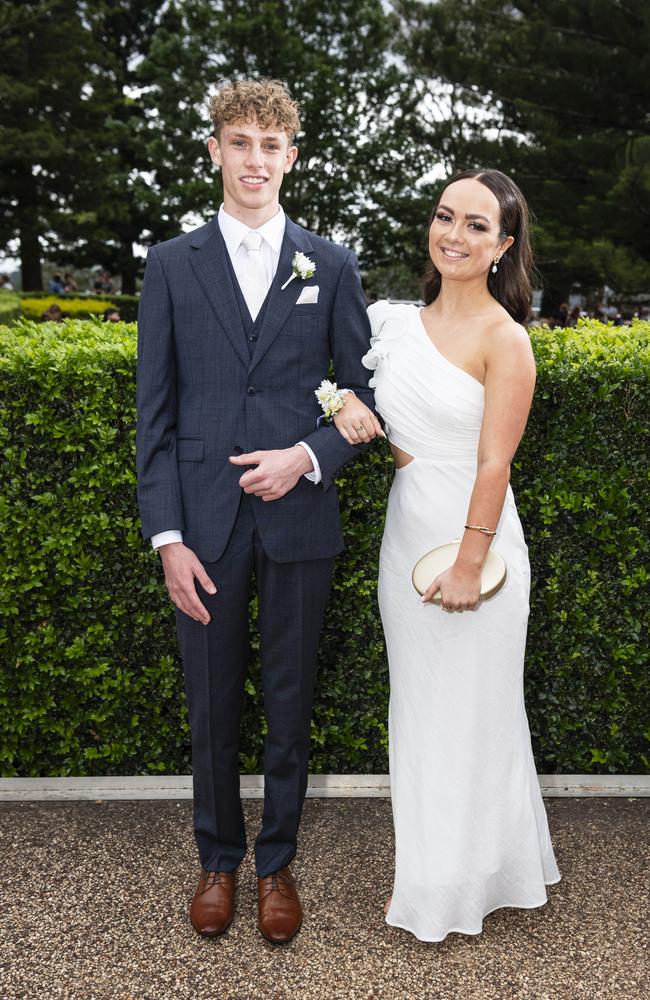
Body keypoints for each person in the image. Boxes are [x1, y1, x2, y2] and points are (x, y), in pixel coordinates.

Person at [135, 78, 376, 944]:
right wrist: (167, 536)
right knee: (209, 704)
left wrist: (307, 456)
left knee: (289, 696)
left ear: (292, 158)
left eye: (271, 146)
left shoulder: (332, 263)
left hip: (299, 522)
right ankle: (218, 860)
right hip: (200, 525)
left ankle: (277, 863)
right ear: (215, 152)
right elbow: (154, 415)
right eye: (240, 142)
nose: (255, 160)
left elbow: (360, 397)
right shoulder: (169, 264)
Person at [332, 168, 560, 942]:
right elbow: (338, 387)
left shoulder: (507, 339)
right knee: (423, 708)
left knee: (476, 712)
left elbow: (495, 464)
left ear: (502, 246)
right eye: (444, 217)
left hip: (478, 547)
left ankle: (467, 881)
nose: (453, 236)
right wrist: (348, 403)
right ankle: (437, 872)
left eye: (474, 225)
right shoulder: (390, 323)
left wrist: (469, 564)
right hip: (407, 535)